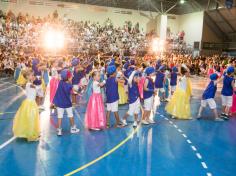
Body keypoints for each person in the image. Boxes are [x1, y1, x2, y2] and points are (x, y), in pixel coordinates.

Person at [13, 69, 40, 141]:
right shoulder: (29, 84)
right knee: (31, 118)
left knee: (31, 118)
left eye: (33, 75)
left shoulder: (30, 83)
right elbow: (38, 88)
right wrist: (38, 80)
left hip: (31, 103)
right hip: (30, 104)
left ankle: (31, 132)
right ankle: (31, 136)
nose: (33, 76)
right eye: (32, 75)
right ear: (28, 76)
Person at [53, 69, 80, 136]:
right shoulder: (69, 86)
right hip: (67, 103)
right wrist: (79, 89)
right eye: (71, 77)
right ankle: (73, 128)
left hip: (59, 103)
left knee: (59, 116)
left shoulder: (60, 82)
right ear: (68, 78)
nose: (72, 77)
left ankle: (59, 130)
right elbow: (75, 89)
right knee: (70, 115)